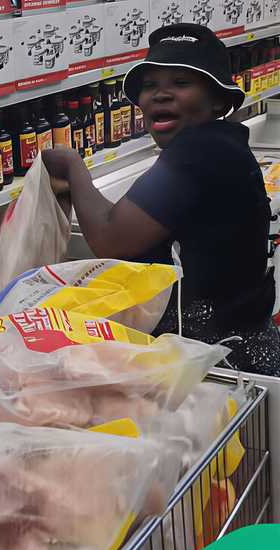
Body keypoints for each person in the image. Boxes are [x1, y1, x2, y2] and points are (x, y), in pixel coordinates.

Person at [42, 23, 280, 374]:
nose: (160, 94)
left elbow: (113, 239)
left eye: (181, 83)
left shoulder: (200, 151)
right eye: (150, 85)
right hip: (233, 346)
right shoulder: (218, 145)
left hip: (223, 361)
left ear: (218, 100)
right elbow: (129, 225)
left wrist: (73, 167)